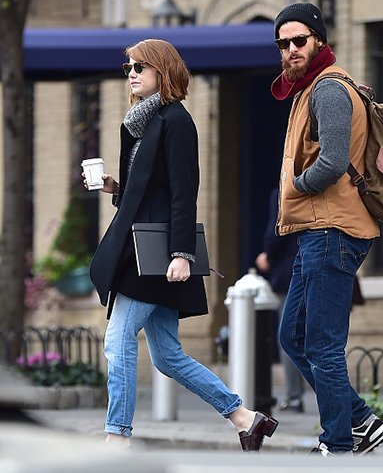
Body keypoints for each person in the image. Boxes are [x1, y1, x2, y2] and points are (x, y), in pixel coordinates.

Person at [86, 39, 278, 451]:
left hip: (155, 258)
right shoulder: (142, 123)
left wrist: (181, 254)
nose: (132, 73)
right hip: (142, 251)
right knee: (168, 356)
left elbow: (182, 192)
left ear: (164, 71)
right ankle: (245, 417)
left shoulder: (177, 121)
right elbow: (151, 192)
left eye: (141, 66)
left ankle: (116, 438)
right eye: (129, 67)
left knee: (117, 341)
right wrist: (115, 187)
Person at [271, 3, 383, 456]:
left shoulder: (328, 90)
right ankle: (360, 419)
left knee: (322, 344)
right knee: (293, 336)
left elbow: (333, 161)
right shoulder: (309, 90)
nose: (290, 50)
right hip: (317, 231)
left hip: (332, 230)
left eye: (298, 40)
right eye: (282, 43)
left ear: (318, 40)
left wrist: (296, 187)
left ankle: (338, 442)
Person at [255, 187, 304, 413]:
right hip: (319, 269)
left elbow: (278, 229)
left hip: (289, 272)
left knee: (288, 337)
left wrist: (268, 255)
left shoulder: (285, 189)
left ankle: (294, 397)